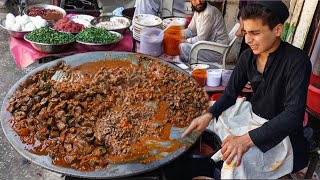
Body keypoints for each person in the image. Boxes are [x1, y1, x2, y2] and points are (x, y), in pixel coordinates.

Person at [182, 1, 311, 175]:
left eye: (255, 33)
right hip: (252, 117)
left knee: (234, 160)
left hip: (281, 134)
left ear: (277, 30)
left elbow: (293, 116)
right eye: (246, 32)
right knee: (201, 121)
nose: (248, 40)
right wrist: (208, 115)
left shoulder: (297, 61)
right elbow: (229, 94)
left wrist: (245, 140)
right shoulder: (247, 56)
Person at [178, 0, 228, 64]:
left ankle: (184, 70)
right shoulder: (198, 10)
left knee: (183, 47)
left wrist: (185, 41)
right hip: (207, 46)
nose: (198, 2)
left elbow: (202, 38)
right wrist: (177, 34)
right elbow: (191, 30)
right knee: (180, 45)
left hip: (216, 51)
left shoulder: (209, 13)